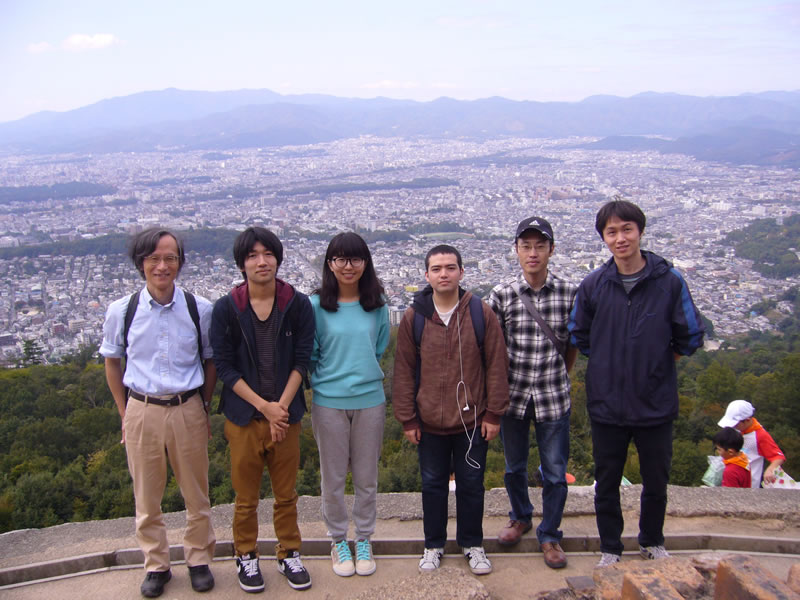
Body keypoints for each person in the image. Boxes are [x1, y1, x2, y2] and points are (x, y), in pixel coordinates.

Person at [568, 199, 705, 567]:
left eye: (626, 229)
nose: (620, 237)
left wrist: (656, 363)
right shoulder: (594, 284)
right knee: (606, 480)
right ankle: (610, 547)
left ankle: (652, 540)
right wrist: (613, 361)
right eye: (611, 231)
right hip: (607, 402)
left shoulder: (669, 281)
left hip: (654, 400)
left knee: (656, 480)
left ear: (640, 231)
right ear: (603, 238)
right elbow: (579, 334)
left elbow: (690, 336)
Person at [100, 228, 216, 598]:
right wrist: (125, 413)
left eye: (170, 258)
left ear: (180, 262)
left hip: (187, 406)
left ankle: (198, 559)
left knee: (196, 493)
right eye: (154, 258)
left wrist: (204, 405)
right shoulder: (122, 310)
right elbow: (112, 363)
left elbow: (211, 362)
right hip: (142, 407)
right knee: (146, 496)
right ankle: (156, 564)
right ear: (141, 263)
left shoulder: (200, 308)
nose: (162, 266)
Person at [393, 245, 509, 576]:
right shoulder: (414, 317)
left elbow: (496, 366)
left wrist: (494, 414)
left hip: (472, 421)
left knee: (472, 484)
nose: (444, 274)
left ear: (461, 271)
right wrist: (408, 418)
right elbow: (403, 370)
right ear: (426, 275)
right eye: (437, 268)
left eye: (450, 267)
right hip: (428, 421)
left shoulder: (479, 312)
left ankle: (473, 543)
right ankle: (434, 545)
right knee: (432, 485)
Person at [210, 227, 314, 592]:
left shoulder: (297, 304)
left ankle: (288, 552)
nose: (261, 261)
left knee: (286, 493)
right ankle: (246, 554)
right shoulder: (227, 308)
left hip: (287, 415)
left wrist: (281, 409)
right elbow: (224, 367)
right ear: (242, 264)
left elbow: (303, 361)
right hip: (243, 416)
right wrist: (265, 408)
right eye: (252, 255)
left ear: (278, 258)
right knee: (246, 496)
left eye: (267, 253)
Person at [487, 217, 577, 569]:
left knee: (555, 471)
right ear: (517, 250)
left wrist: (561, 376)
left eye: (540, 245)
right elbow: (491, 349)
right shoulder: (502, 294)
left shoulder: (570, 293)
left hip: (554, 396)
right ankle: (520, 516)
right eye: (526, 246)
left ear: (551, 250)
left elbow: (573, 345)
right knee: (514, 466)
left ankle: (551, 534)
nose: (533, 253)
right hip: (514, 395)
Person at [310, 232, 390, 578]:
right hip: (328, 402)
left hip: (370, 400)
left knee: (366, 477)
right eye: (340, 259)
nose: (348, 266)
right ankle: (339, 539)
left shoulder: (378, 305)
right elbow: (311, 354)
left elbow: (379, 349)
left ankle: (365, 538)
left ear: (365, 263)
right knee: (333, 477)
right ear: (329, 264)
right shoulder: (315, 306)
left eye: (355, 259)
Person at [718, 400, 785, 488]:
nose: (734, 427)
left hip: (750, 484)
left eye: (736, 424)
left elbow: (778, 457)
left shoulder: (760, 435)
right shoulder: (737, 431)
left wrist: (770, 469)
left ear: (747, 420)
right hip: (732, 477)